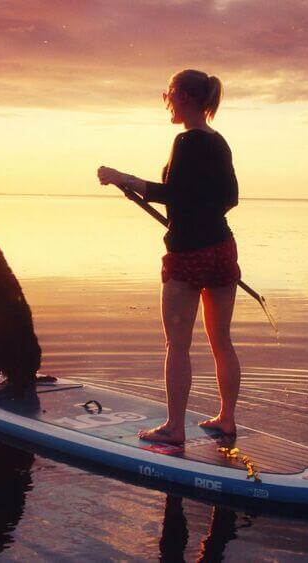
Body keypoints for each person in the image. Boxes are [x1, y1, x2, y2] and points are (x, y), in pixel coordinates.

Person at [97, 69, 242, 444]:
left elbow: (171, 194)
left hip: (188, 253)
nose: (167, 102)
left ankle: (175, 428)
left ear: (184, 97)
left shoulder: (186, 141)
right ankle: (226, 419)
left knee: (177, 345)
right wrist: (202, 212)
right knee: (221, 340)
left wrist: (122, 177)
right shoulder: (219, 142)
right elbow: (230, 198)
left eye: (169, 94)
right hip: (222, 248)